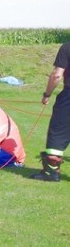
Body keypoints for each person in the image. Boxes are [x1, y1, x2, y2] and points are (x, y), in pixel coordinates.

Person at [32, 42, 70, 182]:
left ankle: (51, 172)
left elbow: (57, 75)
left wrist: (47, 94)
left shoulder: (67, 47)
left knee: (58, 133)